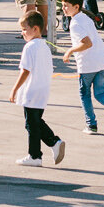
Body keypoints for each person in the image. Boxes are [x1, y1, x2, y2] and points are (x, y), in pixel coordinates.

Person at [60, 0, 104, 134]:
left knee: (85, 95)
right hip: (101, 61)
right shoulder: (84, 17)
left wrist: (70, 51)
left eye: (66, 6)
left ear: (76, 7)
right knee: (100, 94)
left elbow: (87, 43)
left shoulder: (75, 23)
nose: (63, 8)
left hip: (88, 65)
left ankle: (91, 125)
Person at [10, 9, 64, 168]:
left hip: (31, 91)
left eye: (25, 29)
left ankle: (35, 155)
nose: (23, 33)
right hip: (43, 90)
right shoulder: (45, 46)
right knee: (35, 122)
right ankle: (54, 143)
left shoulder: (30, 47)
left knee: (31, 125)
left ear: (35, 29)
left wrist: (14, 89)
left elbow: (25, 70)